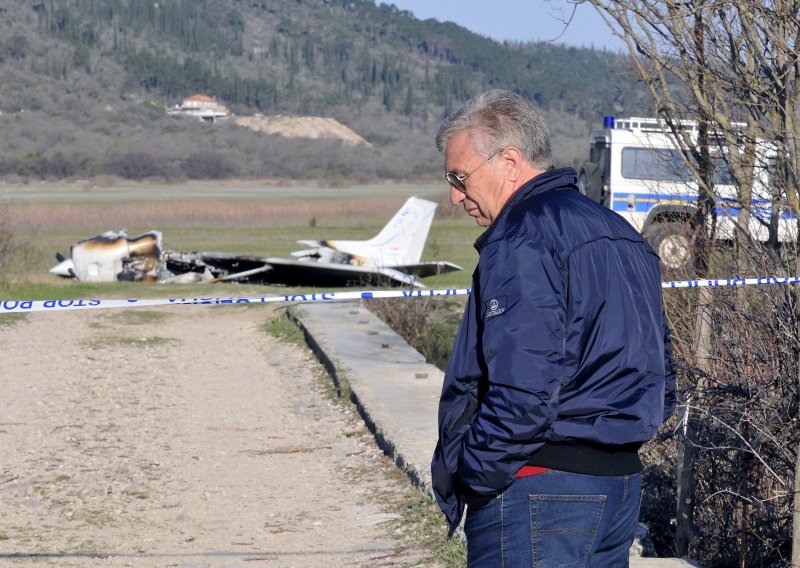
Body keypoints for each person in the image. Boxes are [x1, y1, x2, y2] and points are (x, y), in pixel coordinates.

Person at [430, 89, 676, 567]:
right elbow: (662, 376)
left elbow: (522, 393)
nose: (455, 196)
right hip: (619, 489)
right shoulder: (622, 233)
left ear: (509, 160)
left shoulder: (523, 238)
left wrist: (476, 476)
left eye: (460, 178)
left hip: (540, 489)